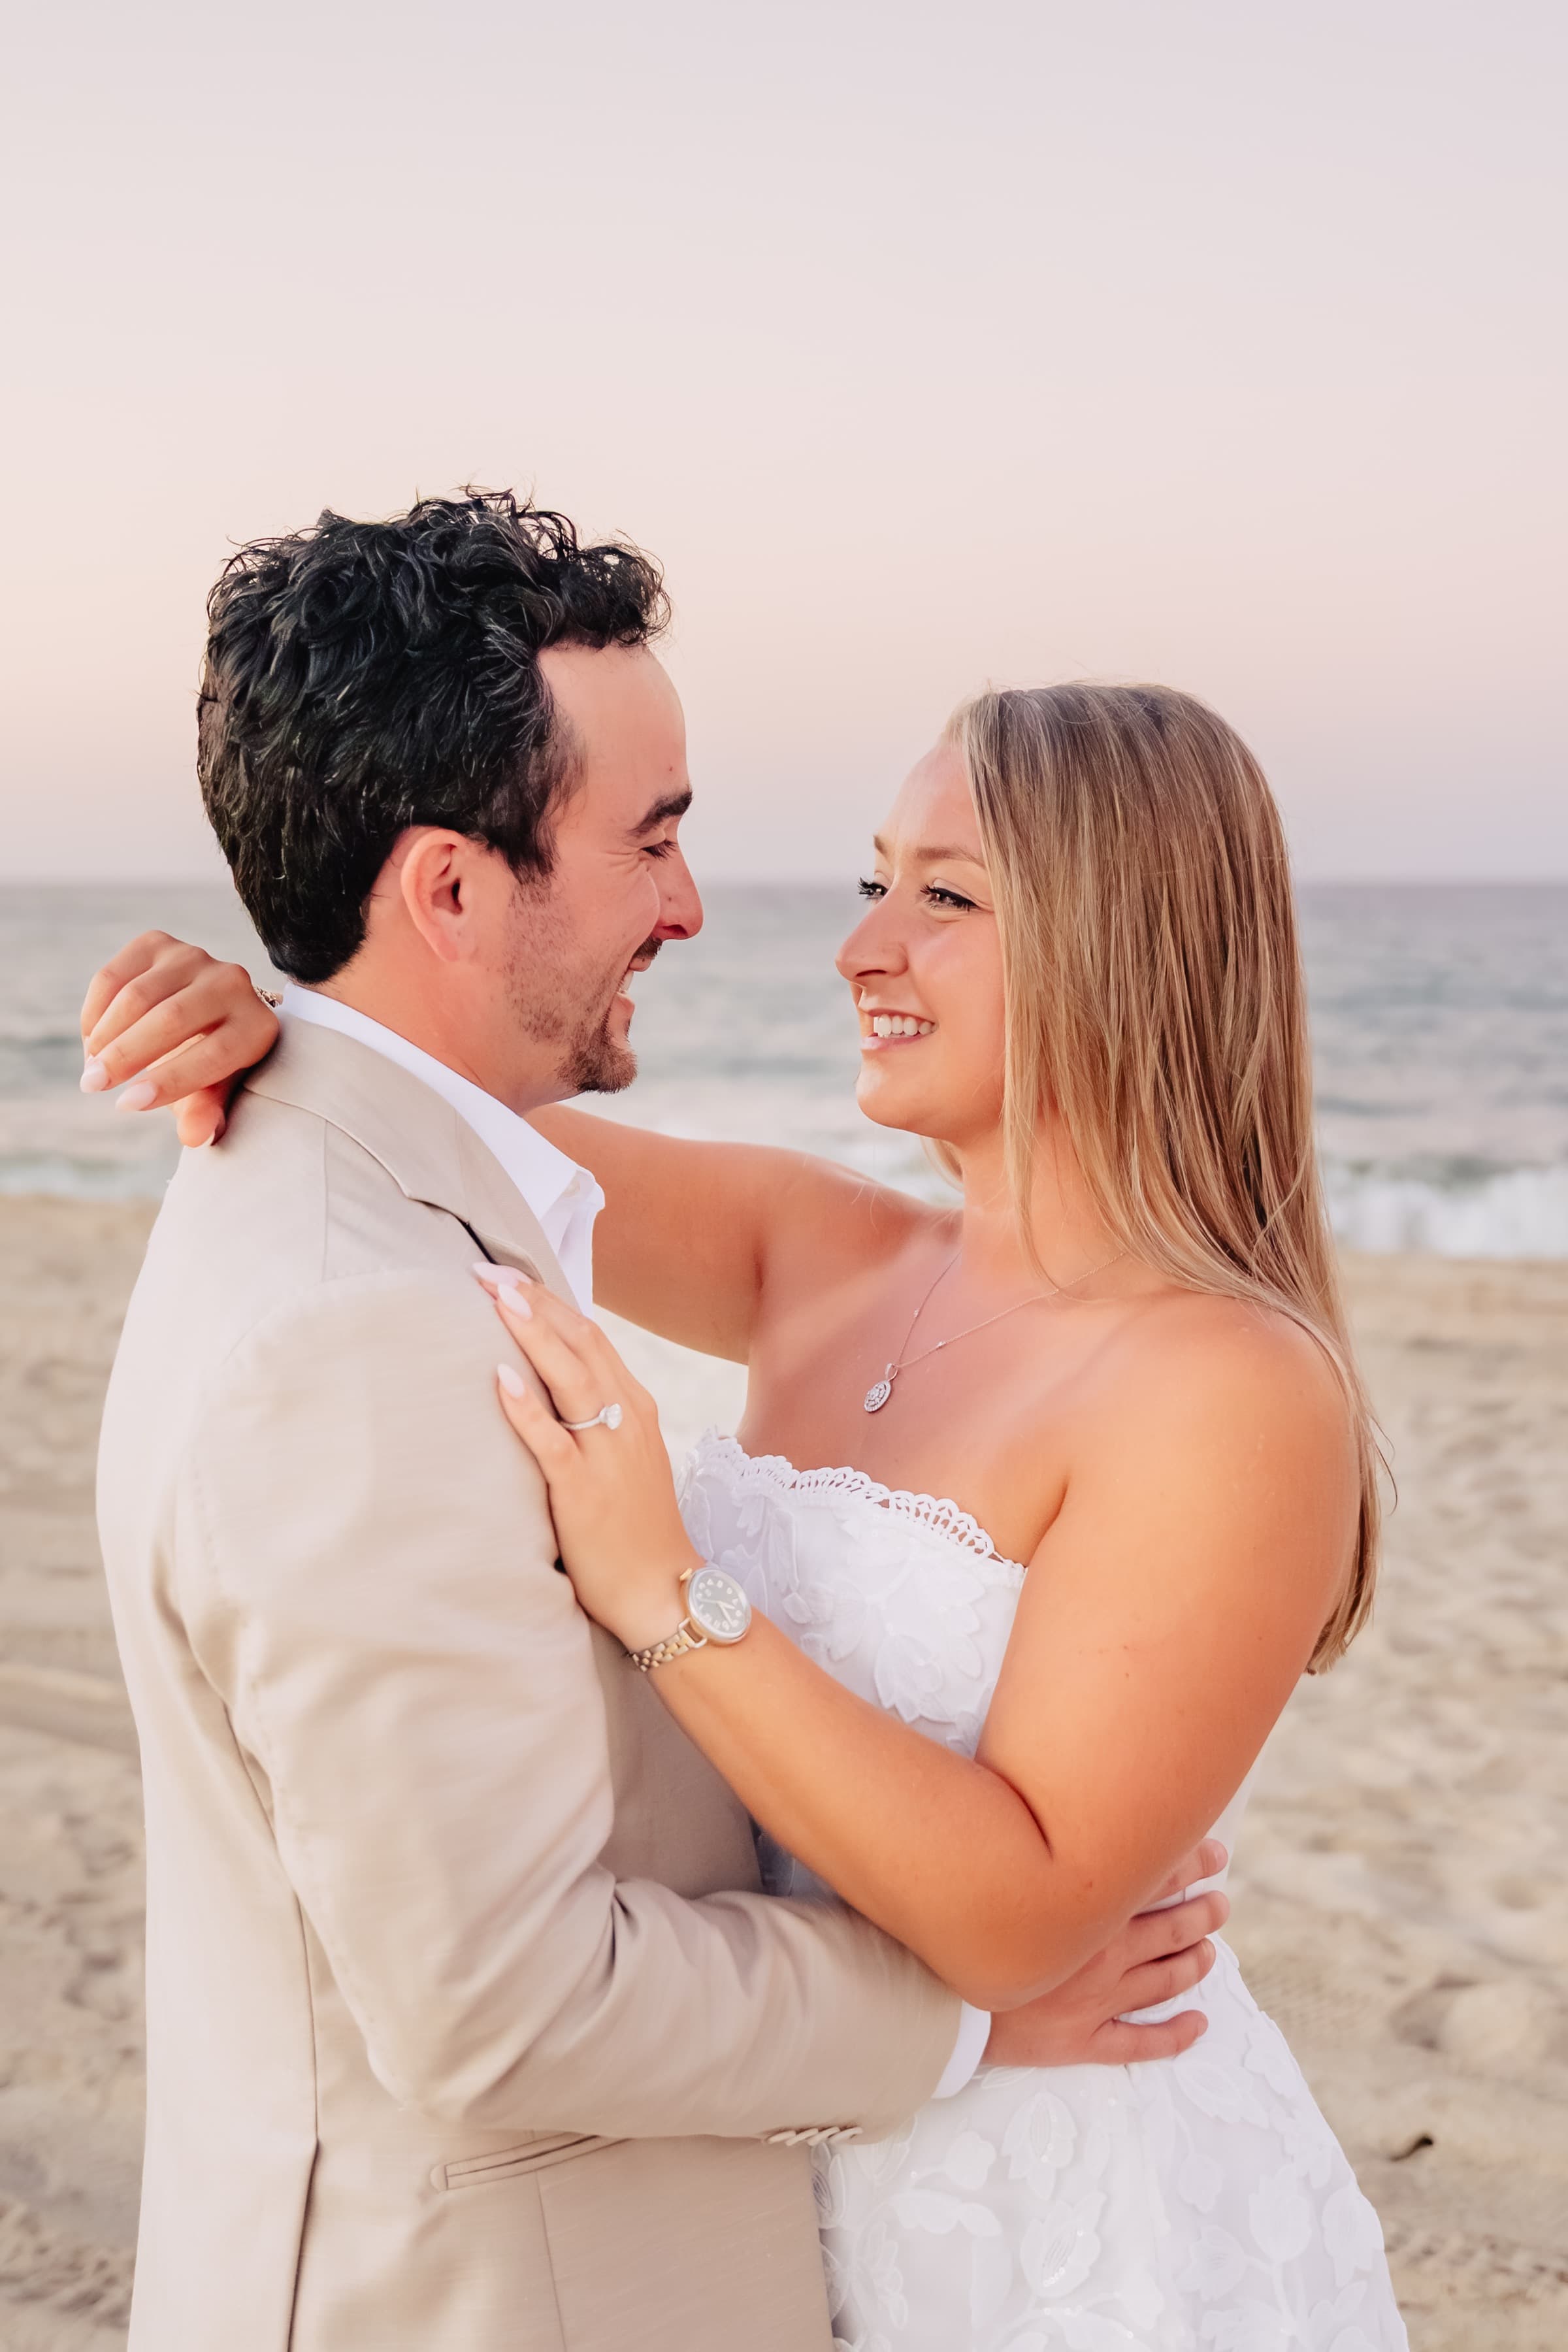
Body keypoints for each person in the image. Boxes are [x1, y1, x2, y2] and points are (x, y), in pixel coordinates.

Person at [86, 491, 1231, 2352]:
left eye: (944, 896)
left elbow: (447, 1122)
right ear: (450, 887)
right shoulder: (392, 1320)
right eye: (657, 837)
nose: (747, 918)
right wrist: (273, 1014)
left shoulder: (421, 1213)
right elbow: (501, 2009)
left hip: (969, 2203)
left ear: (1127, 945)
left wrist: (296, 1015)